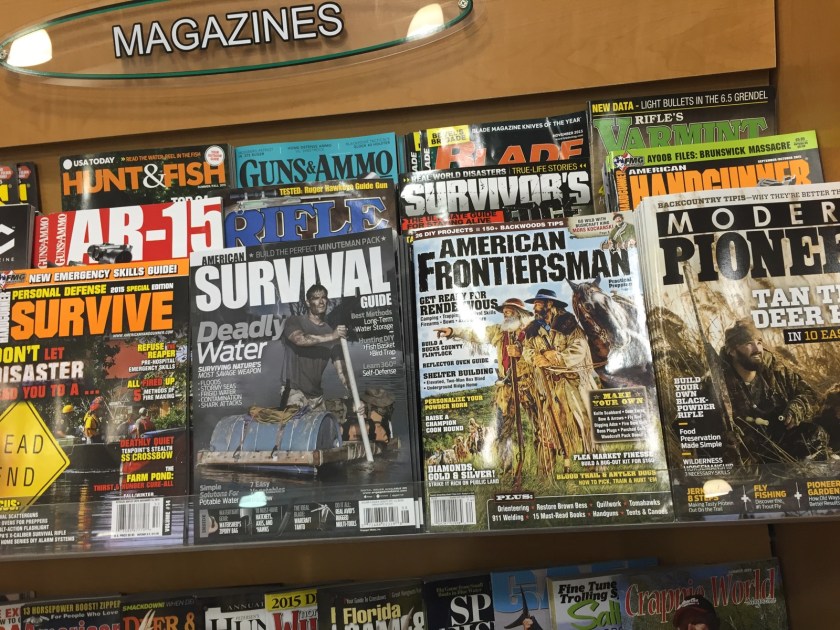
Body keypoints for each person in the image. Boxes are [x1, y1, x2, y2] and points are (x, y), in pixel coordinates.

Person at [435, 298, 538, 475]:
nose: (505, 315)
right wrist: (453, 331)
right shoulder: (499, 331)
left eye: (509, 311)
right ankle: (507, 471)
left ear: (519, 314)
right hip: (505, 388)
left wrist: (521, 352)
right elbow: (475, 332)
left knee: (539, 427)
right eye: (504, 312)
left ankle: (545, 471)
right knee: (502, 432)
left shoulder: (531, 332)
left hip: (527, 385)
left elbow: (540, 355)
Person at [715, 319, 825, 462]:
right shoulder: (716, 383)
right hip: (747, 455)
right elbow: (695, 427)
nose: (757, 349)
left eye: (759, 342)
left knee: (814, 433)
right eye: (748, 343)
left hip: (781, 443)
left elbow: (812, 395)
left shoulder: (776, 370)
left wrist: (797, 407)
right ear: (732, 351)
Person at [522, 288, 599, 473]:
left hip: (573, 381)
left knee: (585, 422)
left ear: (549, 304)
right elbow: (527, 350)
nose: (535, 306)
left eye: (538, 303)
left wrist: (558, 357)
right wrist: (536, 357)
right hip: (550, 384)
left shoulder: (568, 322)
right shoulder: (533, 328)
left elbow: (580, 347)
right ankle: (561, 467)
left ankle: (594, 465)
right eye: (535, 303)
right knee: (553, 425)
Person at [282, 283, 356, 412]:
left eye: (324, 297)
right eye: (316, 298)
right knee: (297, 423)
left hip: (316, 396)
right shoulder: (294, 321)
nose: (321, 302)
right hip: (294, 393)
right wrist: (332, 336)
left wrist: (356, 398)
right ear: (308, 302)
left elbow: (342, 371)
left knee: (324, 424)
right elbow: (299, 339)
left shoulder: (331, 332)